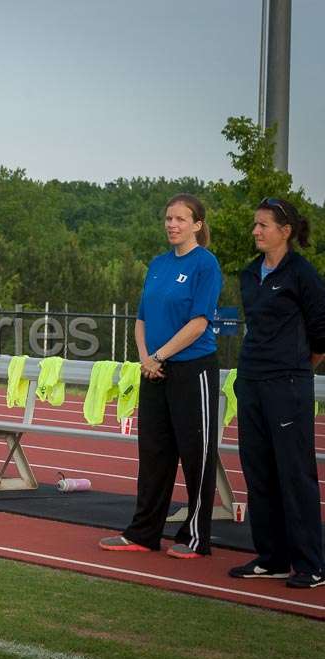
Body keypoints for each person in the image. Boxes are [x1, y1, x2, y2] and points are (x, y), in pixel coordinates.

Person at [100, 193, 222, 558]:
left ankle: (195, 538)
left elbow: (199, 323)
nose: (172, 225)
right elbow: (141, 319)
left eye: (180, 219)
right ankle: (143, 532)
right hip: (153, 370)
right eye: (168, 218)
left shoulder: (206, 265)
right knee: (153, 454)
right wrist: (145, 359)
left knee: (196, 454)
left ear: (197, 225)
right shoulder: (157, 264)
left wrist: (159, 355)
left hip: (191, 369)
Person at [229, 197, 325, 589]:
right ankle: (272, 558)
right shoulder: (250, 274)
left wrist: (296, 370)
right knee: (259, 471)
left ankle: (310, 564)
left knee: (294, 473)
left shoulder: (302, 273)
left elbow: (321, 333)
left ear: (285, 231)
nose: (255, 231)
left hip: (287, 386)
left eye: (263, 225)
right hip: (250, 382)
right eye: (255, 224)